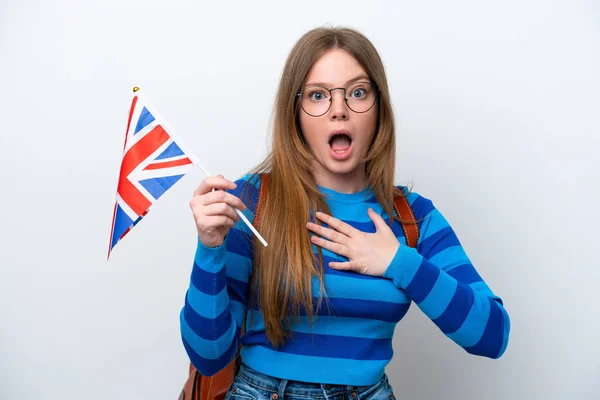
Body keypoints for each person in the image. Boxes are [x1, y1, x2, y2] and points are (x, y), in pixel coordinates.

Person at [181, 26, 510, 400]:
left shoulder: (412, 217)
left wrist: (399, 263)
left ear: (378, 108)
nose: (339, 110)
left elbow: (493, 335)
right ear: (297, 114)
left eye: (357, 92)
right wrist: (209, 249)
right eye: (319, 96)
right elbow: (209, 357)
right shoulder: (253, 201)